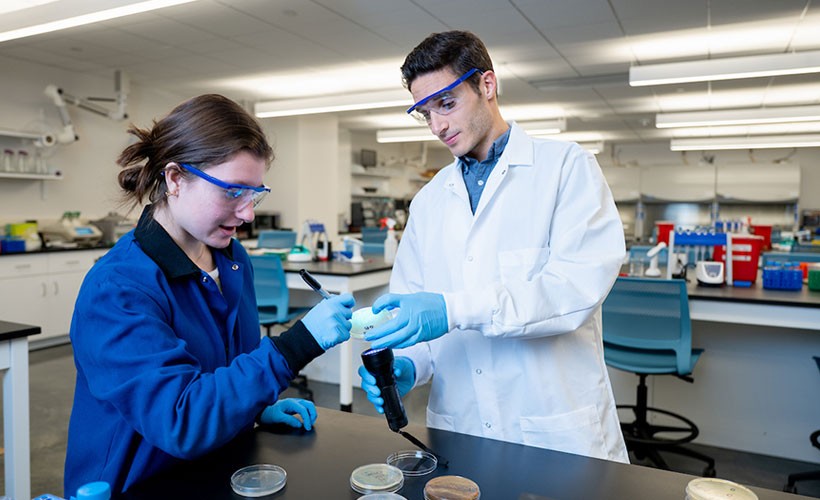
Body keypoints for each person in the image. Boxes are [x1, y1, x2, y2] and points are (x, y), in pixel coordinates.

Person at [358, 31, 629, 463]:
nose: (437, 126)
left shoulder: (565, 168)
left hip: (554, 429)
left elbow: (573, 291)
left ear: (487, 85)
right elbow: (415, 311)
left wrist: (453, 309)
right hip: (461, 425)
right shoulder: (428, 202)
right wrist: (410, 365)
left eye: (446, 103)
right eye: (425, 113)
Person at [64, 94, 355, 495]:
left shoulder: (232, 259)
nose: (248, 213)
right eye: (233, 191)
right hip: (139, 486)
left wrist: (254, 410)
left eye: (254, 193)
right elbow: (180, 420)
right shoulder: (118, 289)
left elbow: (222, 374)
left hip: (217, 470)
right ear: (175, 179)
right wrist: (295, 345)